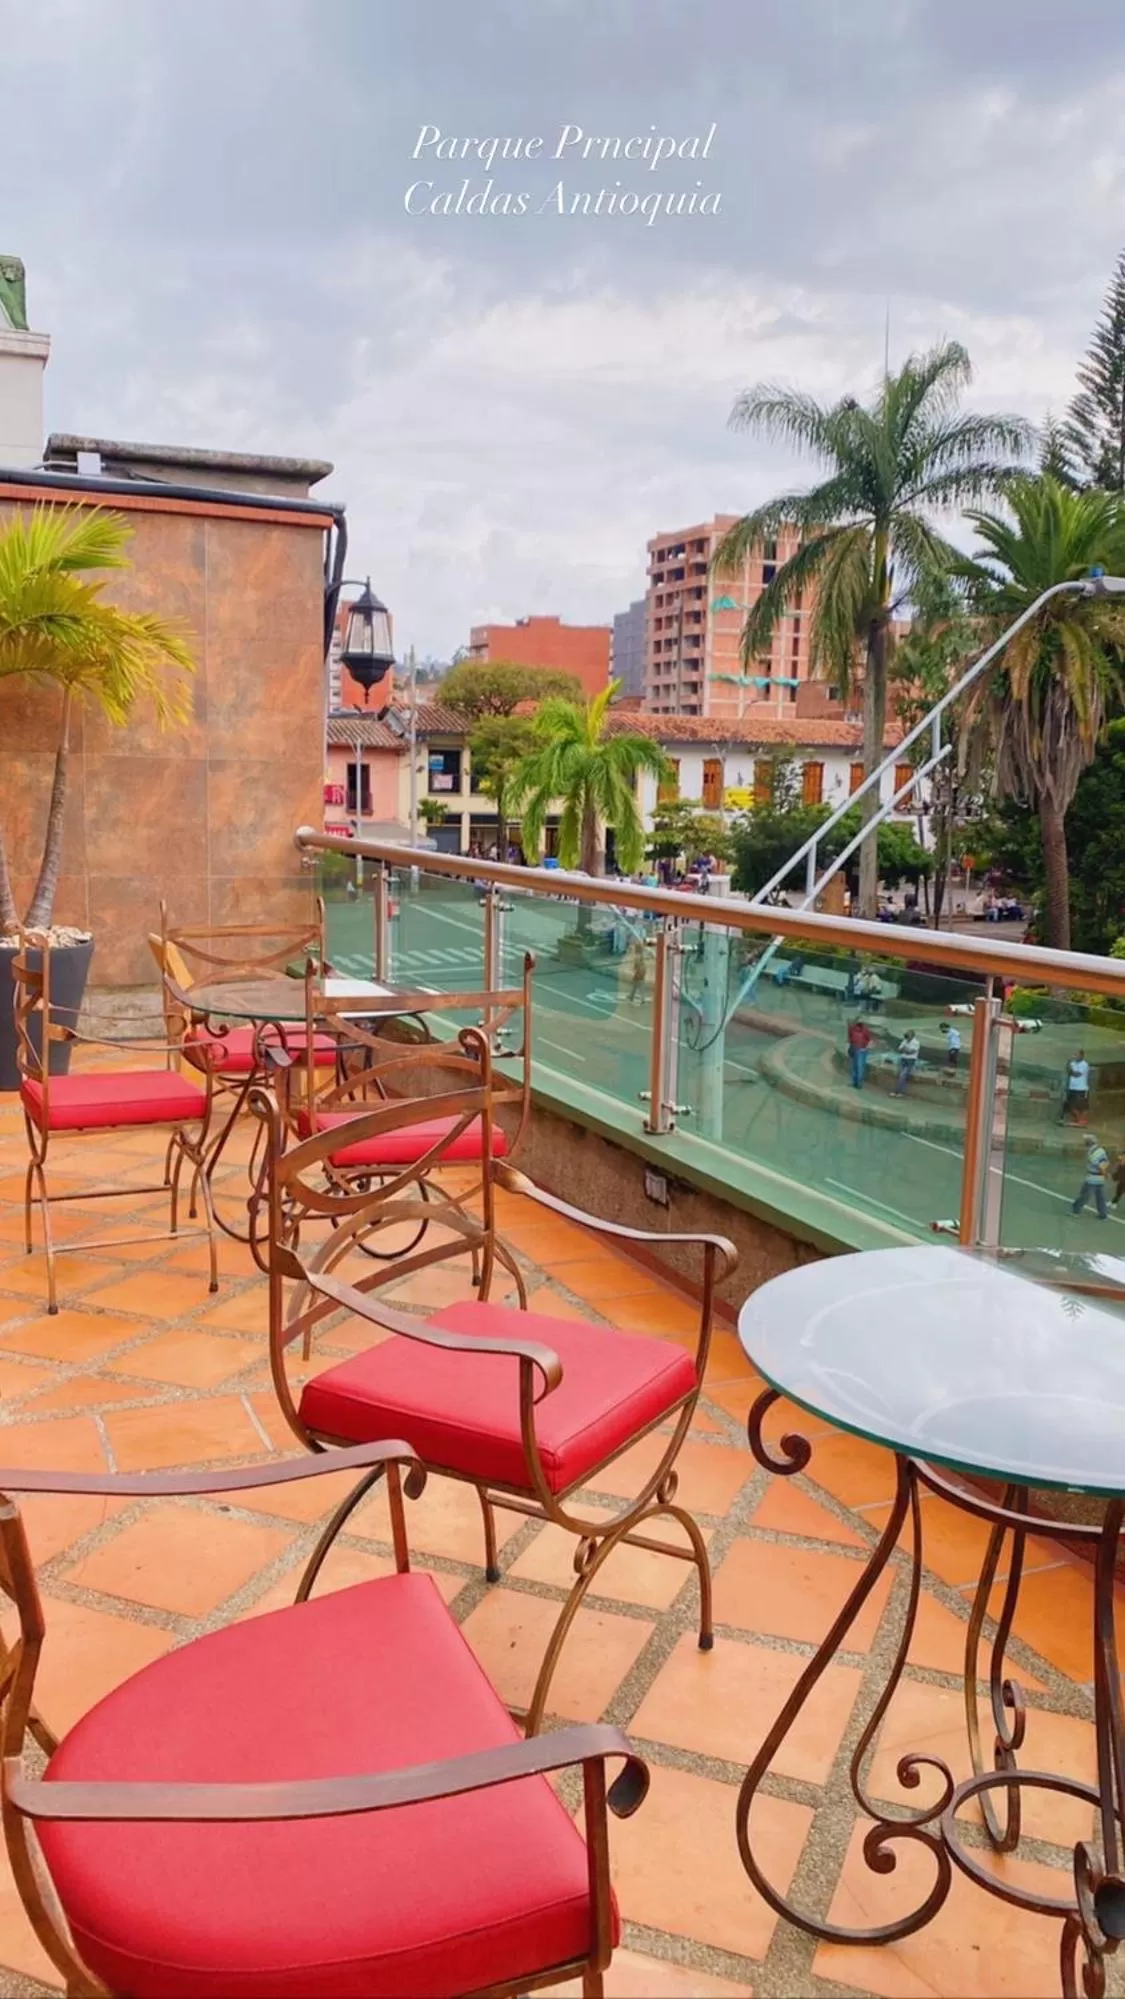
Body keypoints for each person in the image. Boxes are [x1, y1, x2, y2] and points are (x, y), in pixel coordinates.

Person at [1073, 1135, 1111, 1221]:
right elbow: (1105, 1163)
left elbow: (1100, 1166)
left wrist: (1104, 1173)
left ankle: (1076, 1210)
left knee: (1084, 1195)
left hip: (1092, 1178)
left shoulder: (1093, 1153)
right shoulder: (1100, 1150)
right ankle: (1103, 1214)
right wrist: (1105, 1174)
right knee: (1100, 1197)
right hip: (1100, 1179)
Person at [1061, 1050, 1091, 1125]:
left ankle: (1081, 1119)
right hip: (1072, 1088)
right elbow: (1068, 1070)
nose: (1075, 1056)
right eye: (1075, 1054)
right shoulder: (1072, 1063)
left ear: (1081, 1056)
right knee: (1070, 1105)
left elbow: (1076, 1074)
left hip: (1081, 1089)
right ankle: (1077, 1118)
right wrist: (1068, 1062)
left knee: (1081, 1106)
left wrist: (1070, 1069)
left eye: (1077, 1055)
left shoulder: (1084, 1065)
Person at [846, 1016, 873, 1090]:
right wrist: (848, 1047)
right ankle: (854, 1082)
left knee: (860, 1067)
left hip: (862, 1050)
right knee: (854, 1066)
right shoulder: (852, 1029)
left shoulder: (865, 1030)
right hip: (854, 1048)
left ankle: (859, 1083)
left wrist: (867, 1048)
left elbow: (869, 1040)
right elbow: (849, 1038)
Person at [894, 1029, 921, 1095]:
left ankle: (898, 1091)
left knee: (903, 1075)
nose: (906, 1035)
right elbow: (899, 1050)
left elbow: (911, 1052)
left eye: (908, 1034)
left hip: (910, 1060)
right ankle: (899, 1090)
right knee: (900, 1075)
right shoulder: (904, 1041)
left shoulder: (916, 1043)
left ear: (912, 1036)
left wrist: (905, 1050)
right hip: (902, 1059)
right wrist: (905, 1050)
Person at [628, 938, 648, 1005]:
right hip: (643, 969)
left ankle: (641, 998)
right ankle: (631, 996)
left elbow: (636, 965)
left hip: (639, 970)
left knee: (638, 983)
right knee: (636, 984)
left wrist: (634, 969)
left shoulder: (637, 956)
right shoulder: (642, 954)